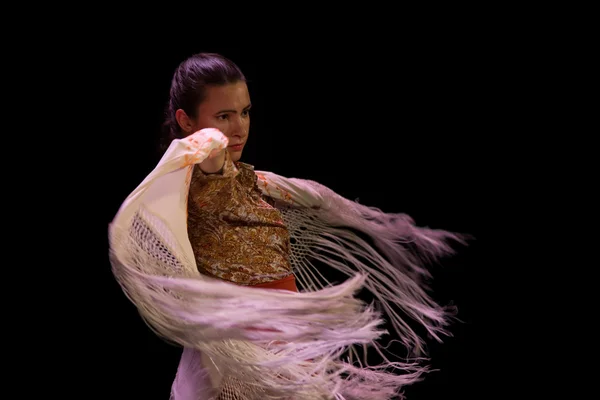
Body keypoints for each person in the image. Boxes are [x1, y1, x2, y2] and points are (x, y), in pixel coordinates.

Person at [108, 52, 466, 400]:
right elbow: (209, 152)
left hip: (285, 349)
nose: (239, 128)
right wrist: (209, 142)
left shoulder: (252, 182)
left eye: (245, 112)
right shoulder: (205, 178)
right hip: (238, 357)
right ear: (186, 121)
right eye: (223, 116)